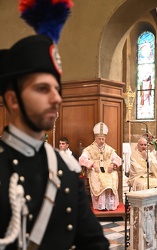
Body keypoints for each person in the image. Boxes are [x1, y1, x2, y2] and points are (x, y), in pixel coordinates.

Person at [0, 35, 110, 249]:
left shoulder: (65, 169)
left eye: (56, 89)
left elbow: (95, 243)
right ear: (13, 100)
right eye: (42, 89)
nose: (57, 98)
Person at [79, 122, 122, 211]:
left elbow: (118, 159)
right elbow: (81, 159)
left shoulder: (109, 149)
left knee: (112, 177)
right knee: (101, 179)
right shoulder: (89, 149)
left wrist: (113, 164)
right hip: (95, 170)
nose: (101, 141)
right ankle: (101, 205)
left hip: (108, 170)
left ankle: (110, 205)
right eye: (99, 139)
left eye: (103, 139)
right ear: (95, 138)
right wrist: (92, 164)